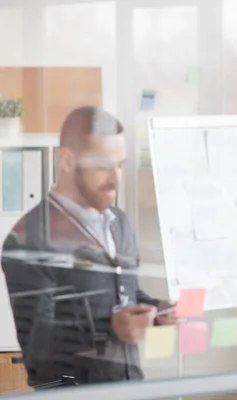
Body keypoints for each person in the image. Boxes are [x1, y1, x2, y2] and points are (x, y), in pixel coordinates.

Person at [1, 106, 177, 387]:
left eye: (119, 165)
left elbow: (122, 295)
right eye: (103, 165)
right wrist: (111, 328)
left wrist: (156, 311)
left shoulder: (118, 222)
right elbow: (38, 351)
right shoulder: (28, 238)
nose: (115, 180)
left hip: (129, 387)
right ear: (68, 160)